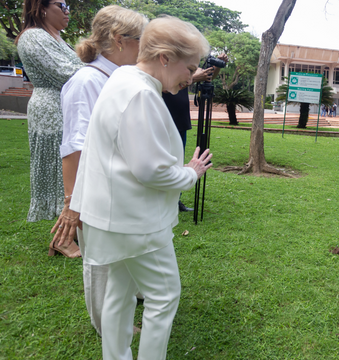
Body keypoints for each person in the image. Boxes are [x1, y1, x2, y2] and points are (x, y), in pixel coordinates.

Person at [70, 16, 212, 359]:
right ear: (164, 57)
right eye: (189, 67)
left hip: (112, 217)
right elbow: (151, 170)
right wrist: (191, 173)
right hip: (135, 221)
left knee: (119, 292)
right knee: (164, 295)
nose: (191, 77)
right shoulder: (140, 93)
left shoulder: (122, 80)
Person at [49, 5, 147, 336]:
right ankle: (107, 325)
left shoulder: (118, 78)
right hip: (96, 191)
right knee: (101, 261)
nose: (145, 49)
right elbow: (75, 146)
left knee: (121, 253)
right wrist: (71, 204)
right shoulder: (87, 82)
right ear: (119, 40)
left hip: (117, 186)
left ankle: (125, 305)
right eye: (141, 41)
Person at [16, 0, 83, 230]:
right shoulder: (33, 37)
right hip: (51, 111)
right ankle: (63, 235)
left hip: (66, 107)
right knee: (59, 171)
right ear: (41, 8)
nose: (67, 11)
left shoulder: (57, 38)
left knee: (71, 168)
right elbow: (68, 73)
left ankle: (71, 230)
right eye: (61, 5)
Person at [163, 53, 227, 212]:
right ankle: (162, 201)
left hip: (181, 119)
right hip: (165, 119)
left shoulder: (185, 64)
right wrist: (192, 79)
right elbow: (165, 87)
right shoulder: (164, 65)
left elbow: (207, 77)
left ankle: (175, 201)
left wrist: (216, 67)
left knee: (178, 161)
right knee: (165, 160)